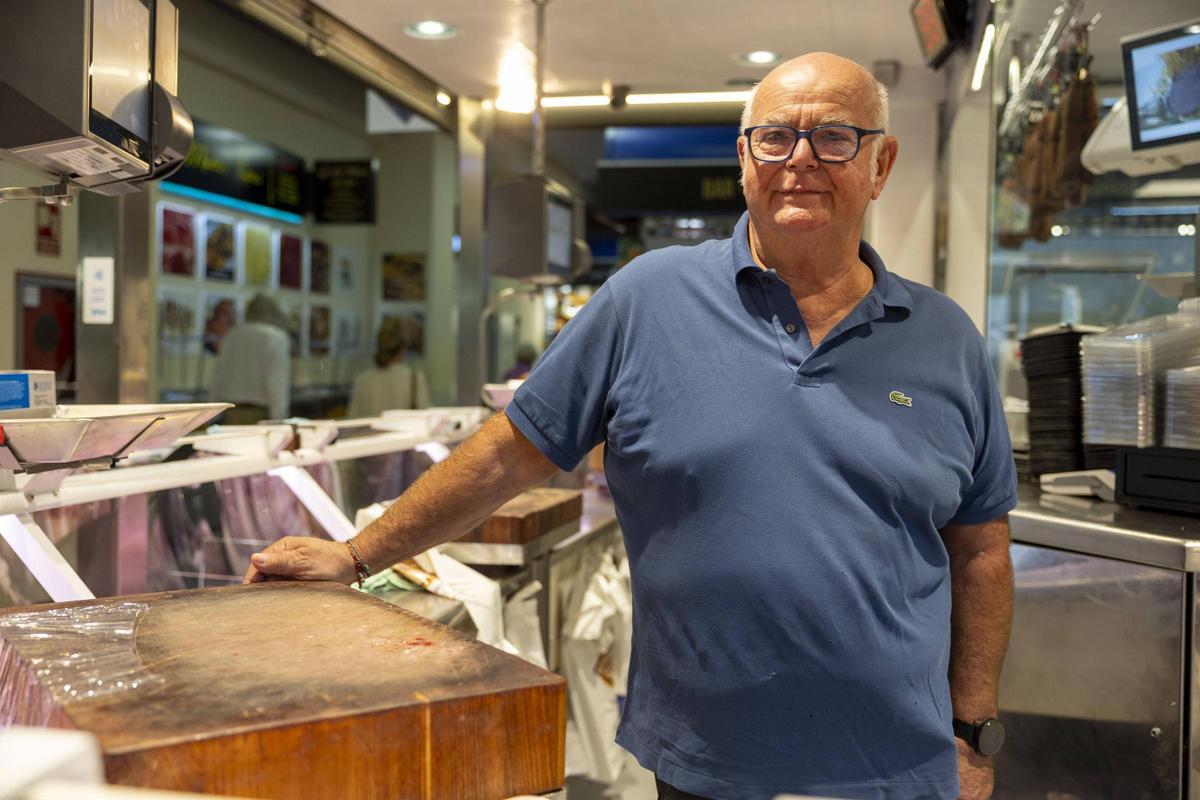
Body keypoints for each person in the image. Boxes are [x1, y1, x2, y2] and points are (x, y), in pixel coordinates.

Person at [245, 52, 1015, 800]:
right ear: (744, 159)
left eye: (835, 137)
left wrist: (972, 731)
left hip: (895, 763)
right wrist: (355, 555)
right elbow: (510, 453)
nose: (801, 159)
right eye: (777, 136)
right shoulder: (646, 299)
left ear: (881, 165)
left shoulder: (945, 339)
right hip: (706, 763)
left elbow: (981, 550)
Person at [209, 294, 290, 423]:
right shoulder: (277, 338)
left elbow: (218, 376)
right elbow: (276, 382)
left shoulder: (232, 334)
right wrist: (279, 419)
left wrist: (212, 416)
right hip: (260, 415)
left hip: (232, 414)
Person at [346, 318, 431, 417]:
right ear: (403, 348)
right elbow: (425, 417)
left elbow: (352, 418)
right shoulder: (414, 379)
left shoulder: (364, 381)